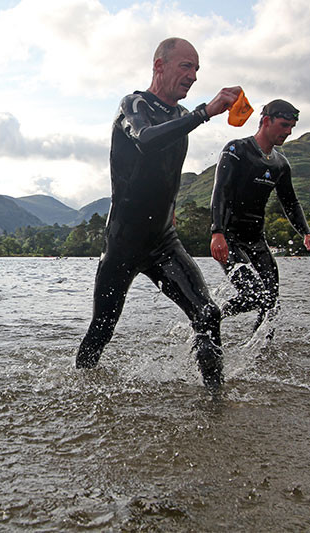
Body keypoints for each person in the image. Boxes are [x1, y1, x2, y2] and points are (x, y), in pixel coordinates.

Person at [75, 37, 241, 392]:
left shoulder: (181, 116)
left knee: (207, 314)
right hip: (124, 242)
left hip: (163, 240)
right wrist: (204, 113)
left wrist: (172, 210)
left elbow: (165, 171)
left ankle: (215, 399)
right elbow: (147, 140)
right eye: (186, 66)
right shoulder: (133, 104)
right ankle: (81, 387)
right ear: (159, 66)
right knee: (102, 328)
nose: (194, 76)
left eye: (197, 69)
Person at [210, 99, 310, 331]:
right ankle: (210, 318)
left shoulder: (280, 164)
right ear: (267, 121)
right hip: (229, 238)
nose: (288, 132)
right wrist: (217, 232)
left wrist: (305, 233)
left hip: (256, 240)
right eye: (283, 125)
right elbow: (220, 191)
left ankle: (262, 356)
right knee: (252, 295)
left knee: (270, 302)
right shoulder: (236, 150)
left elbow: (290, 202)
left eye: (292, 127)